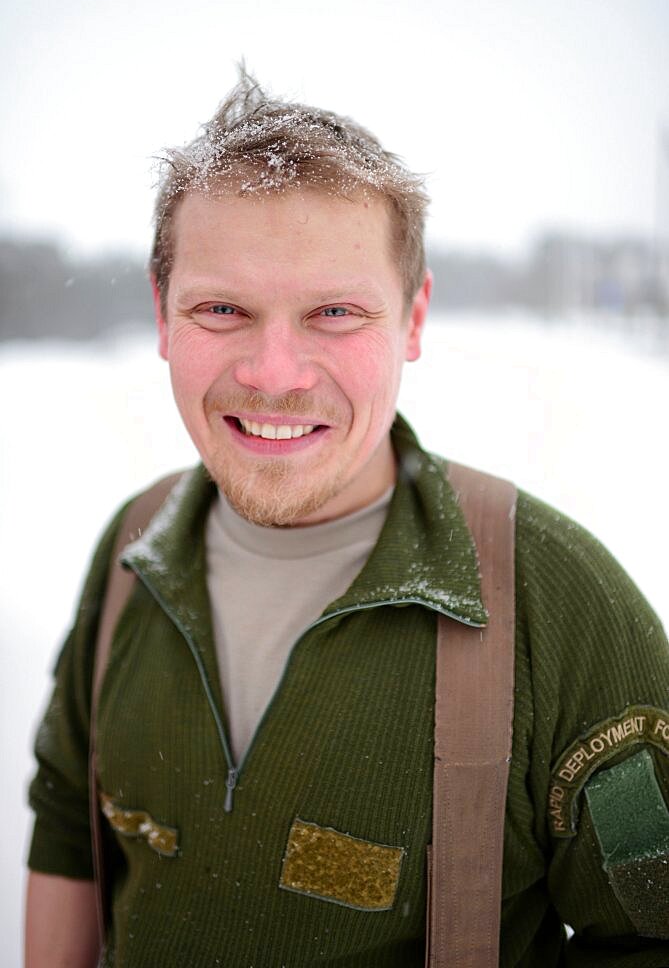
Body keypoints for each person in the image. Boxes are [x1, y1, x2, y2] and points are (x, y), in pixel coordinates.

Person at [25, 71, 669, 967]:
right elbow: (68, 823)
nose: (274, 372)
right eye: (222, 309)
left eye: (334, 312)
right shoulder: (132, 549)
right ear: (162, 315)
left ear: (412, 318)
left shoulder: (556, 599)